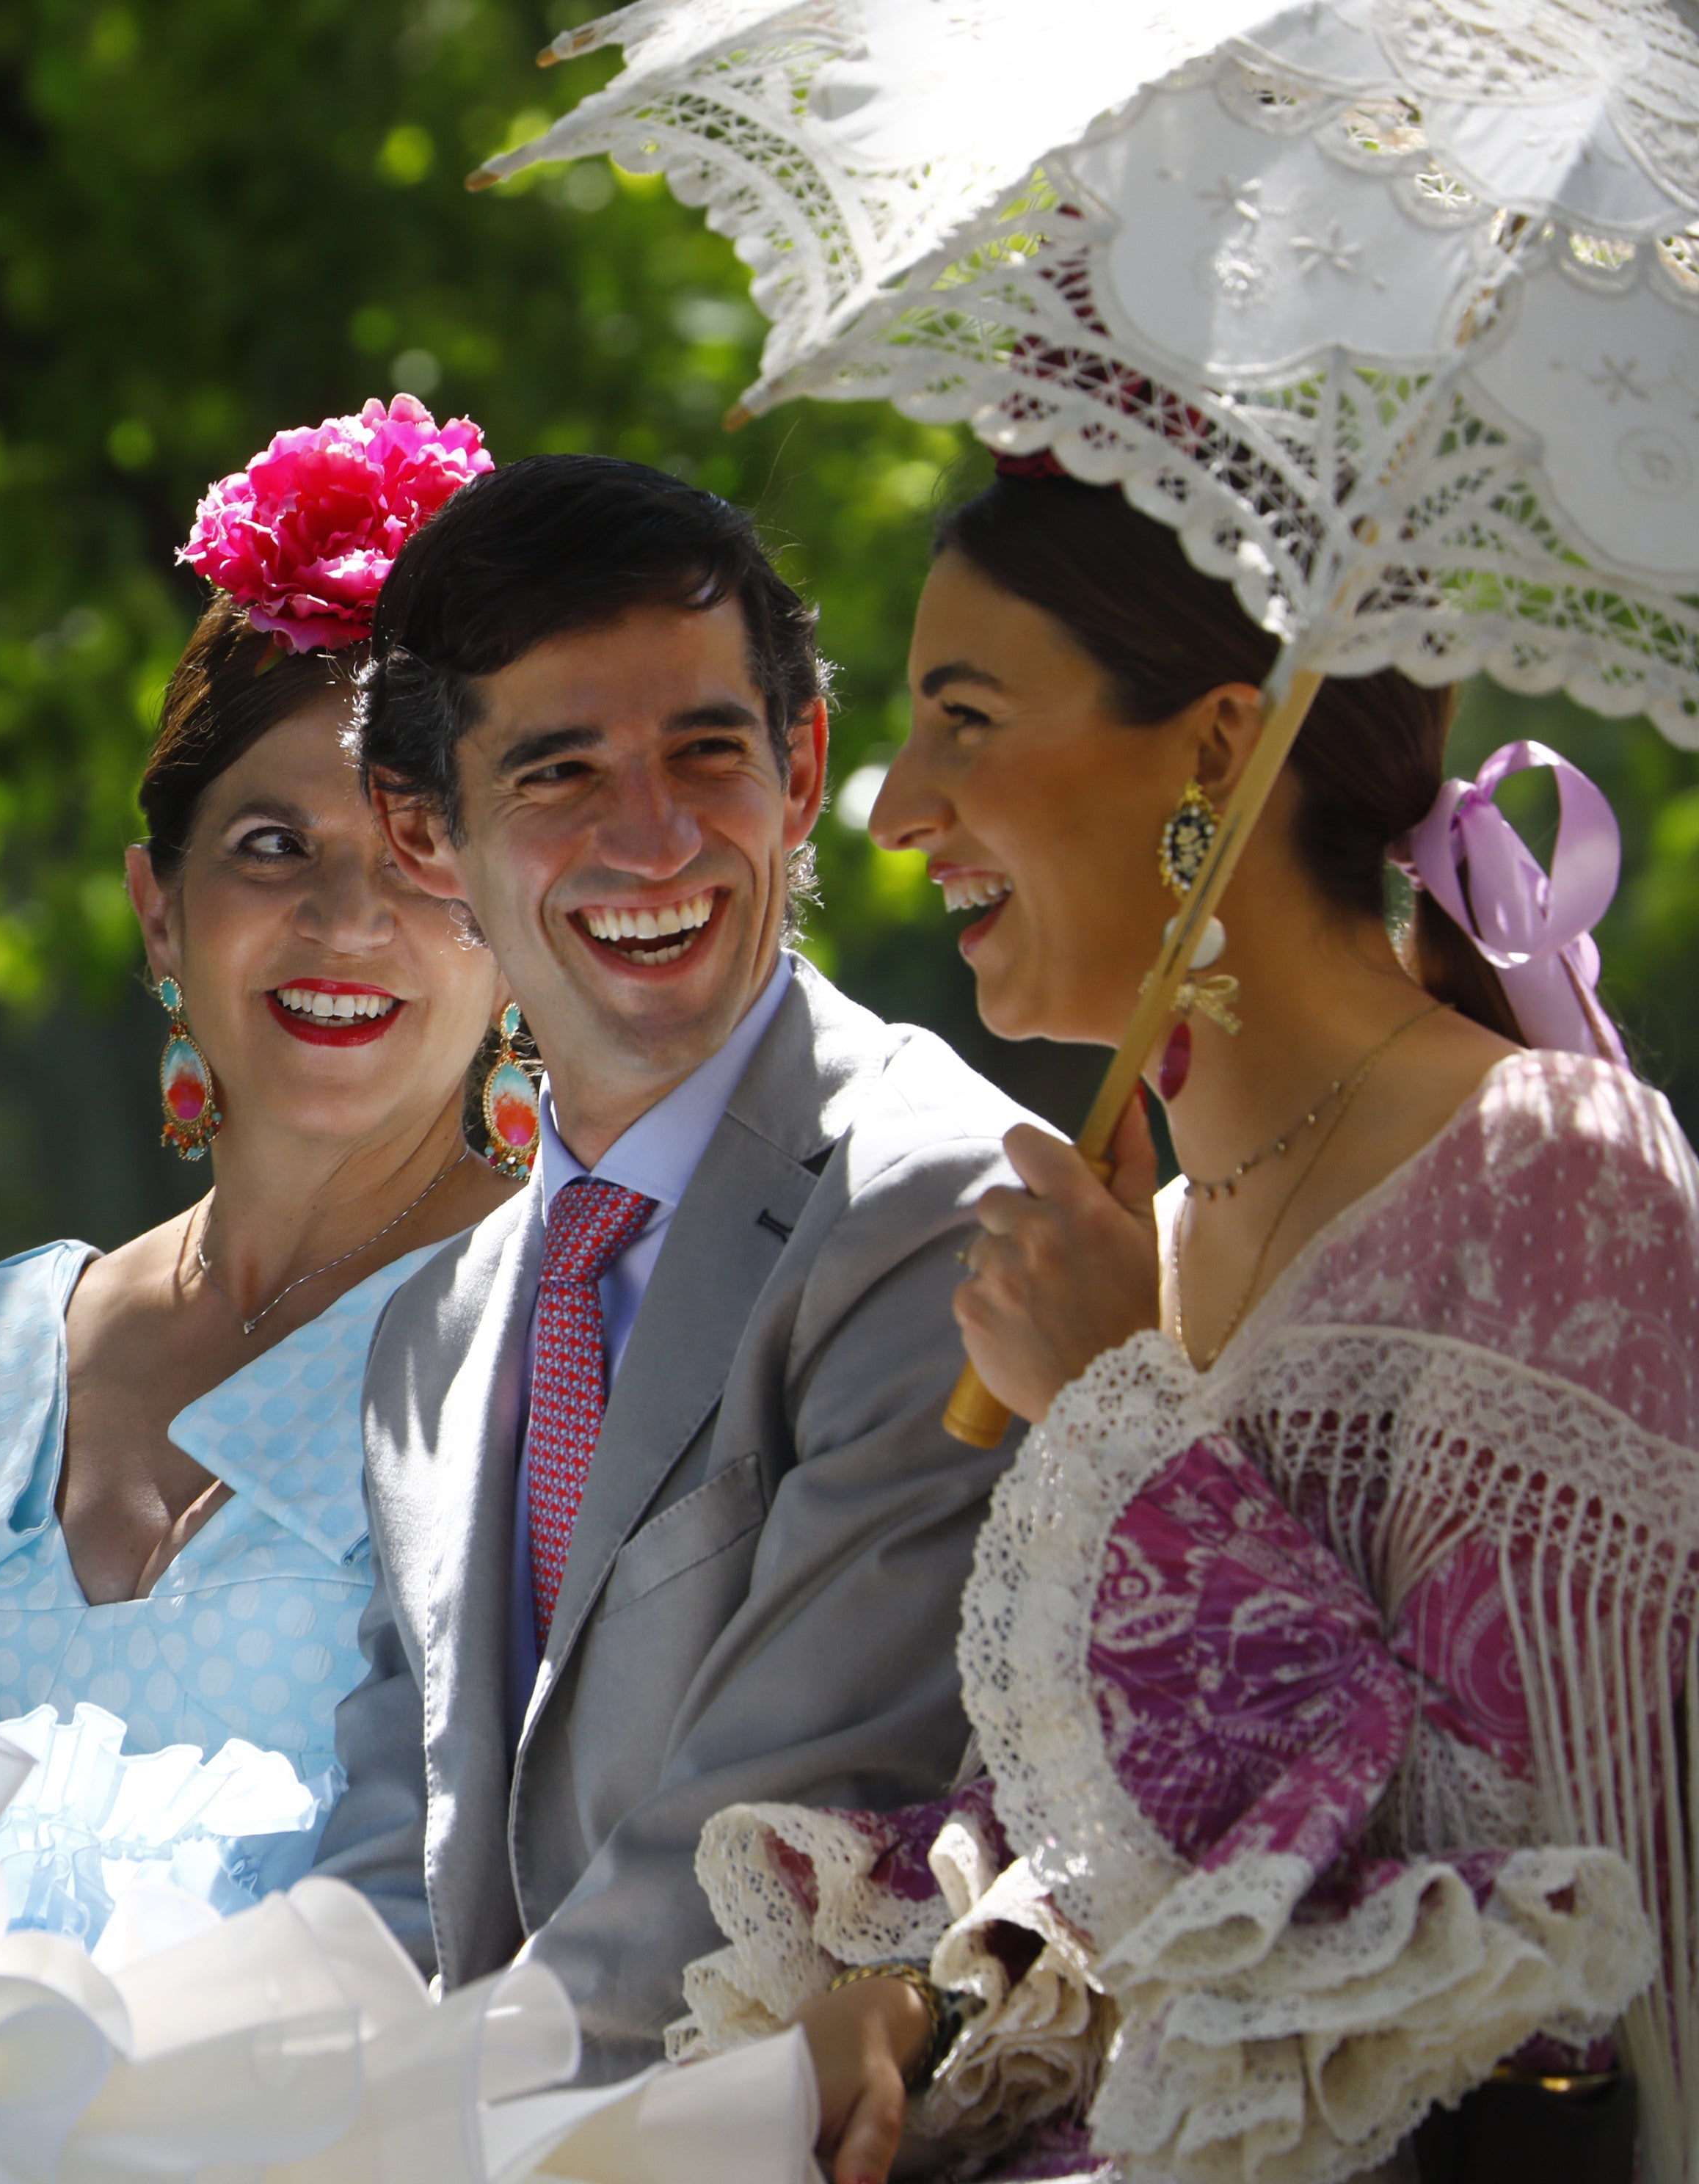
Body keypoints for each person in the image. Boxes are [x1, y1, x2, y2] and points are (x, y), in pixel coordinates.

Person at [678, 462, 1695, 2184]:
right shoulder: (1144, 1246)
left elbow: (1526, 1946)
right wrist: (918, 2005)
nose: (894, 807)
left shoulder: (1558, 1180)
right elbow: (1142, 1859)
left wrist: (1112, 1419)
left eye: (967, 720)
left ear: (1222, 750)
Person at [313, 452, 1036, 2081]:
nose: (653, 841)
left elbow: (784, 1847)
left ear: (801, 770)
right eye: (561, 774)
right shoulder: (429, 1338)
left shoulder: (929, 1210)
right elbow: (380, 1883)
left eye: (708, 752)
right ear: (424, 833)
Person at [0, 399, 520, 1929]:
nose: (346, 921)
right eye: (272, 846)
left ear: (513, 922)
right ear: (160, 910)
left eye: (420, 854)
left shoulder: (557, 1326)